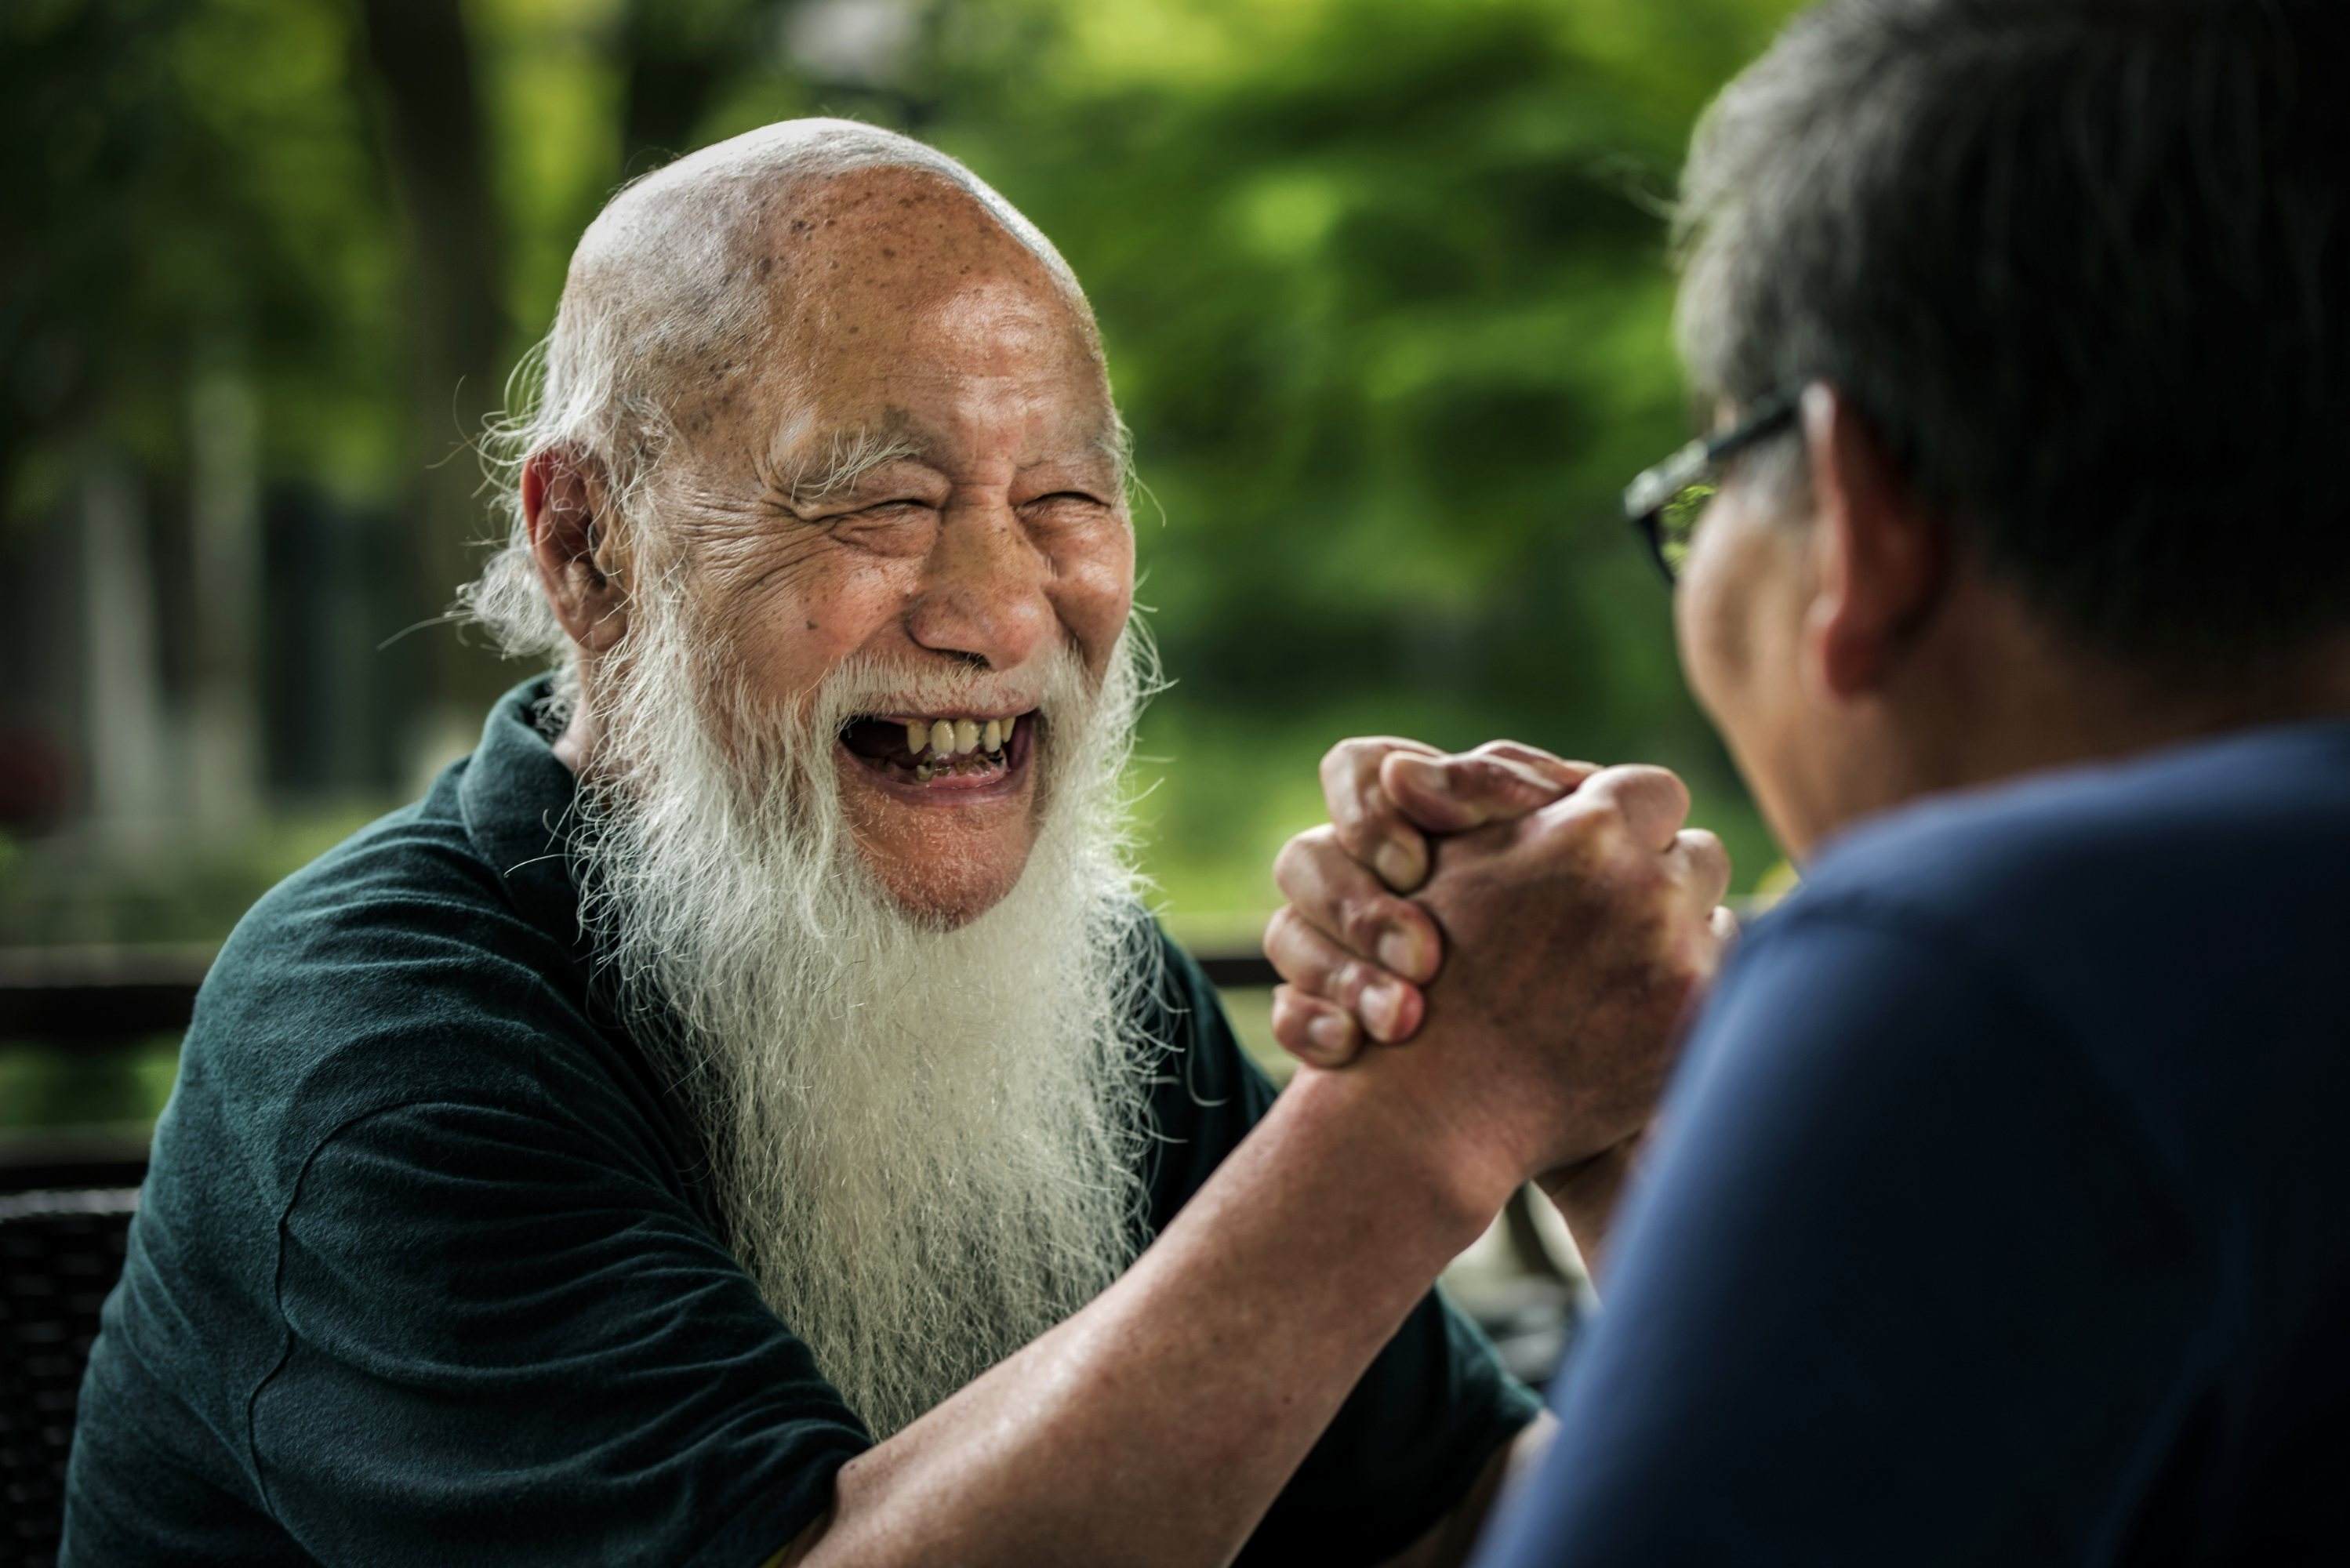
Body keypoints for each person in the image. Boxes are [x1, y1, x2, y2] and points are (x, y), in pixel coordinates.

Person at [63, 119, 1738, 1566]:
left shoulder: (1094, 990)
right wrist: (1428, 1113)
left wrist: (1613, 1099)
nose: (998, 606)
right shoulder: (377, 1032)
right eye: (879, 499)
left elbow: (1468, 1520)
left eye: (1064, 498)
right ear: (589, 549)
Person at [1262, 0, 2350, 1560]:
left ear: (1857, 511)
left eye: (1700, 496)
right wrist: (1656, 1138)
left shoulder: (1958, 964)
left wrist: (1476, 1092)